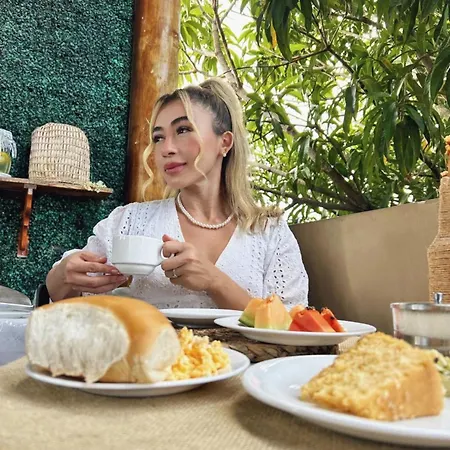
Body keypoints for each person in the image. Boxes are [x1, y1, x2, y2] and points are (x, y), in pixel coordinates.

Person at [46, 78, 309, 310]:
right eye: (158, 138)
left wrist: (215, 282)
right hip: (149, 351)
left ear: (225, 142)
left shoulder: (270, 232)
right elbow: (64, 296)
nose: (166, 149)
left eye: (183, 130)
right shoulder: (131, 220)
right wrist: (63, 276)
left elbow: (291, 325)